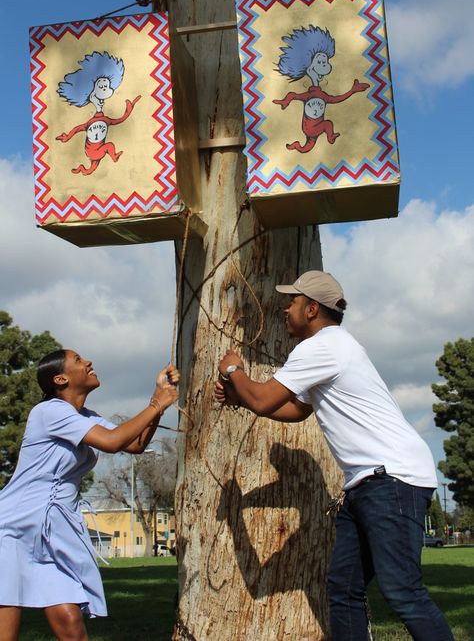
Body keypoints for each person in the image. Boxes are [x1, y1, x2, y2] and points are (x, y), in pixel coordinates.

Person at [215, 271, 454, 641]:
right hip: (369, 483)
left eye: (292, 302)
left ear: (311, 310)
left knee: (403, 591)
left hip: (391, 479)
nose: (285, 308)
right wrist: (241, 395)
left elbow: (262, 399)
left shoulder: (321, 347)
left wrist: (233, 370)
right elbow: (296, 409)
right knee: (344, 590)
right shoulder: (332, 347)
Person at [0, 348, 179, 641]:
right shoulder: (48, 412)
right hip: (12, 530)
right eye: (79, 361)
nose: (89, 362)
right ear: (59, 379)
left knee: (71, 623)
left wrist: (158, 398)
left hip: (52, 534)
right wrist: (156, 405)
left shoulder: (85, 417)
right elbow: (111, 442)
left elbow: (133, 444)